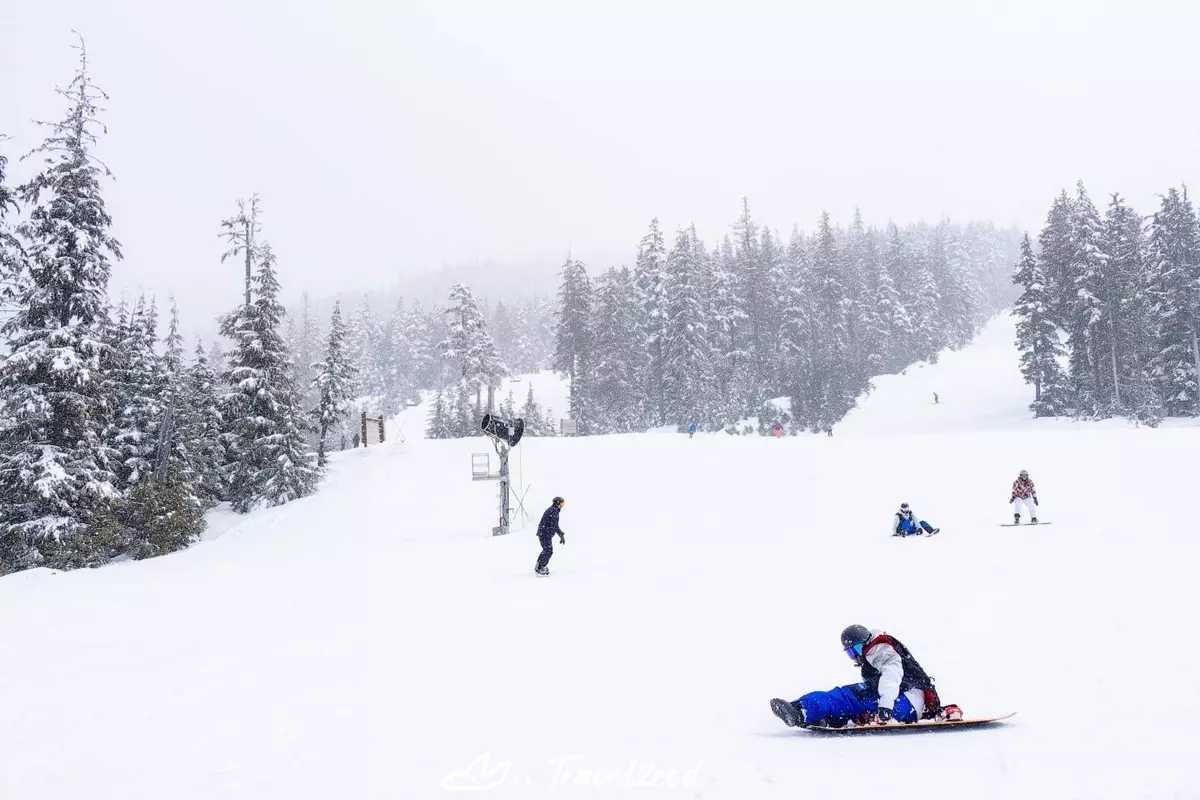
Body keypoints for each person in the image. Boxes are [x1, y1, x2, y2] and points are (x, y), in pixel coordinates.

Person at [769, 625, 958, 728]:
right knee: (855, 704)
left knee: (845, 696)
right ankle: (824, 717)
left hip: (902, 700)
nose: (858, 655)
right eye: (851, 653)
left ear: (866, 642)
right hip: (907, 705)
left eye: (857, 649)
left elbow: (892, 673)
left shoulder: (878, 648)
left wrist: (885, 705)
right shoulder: (879, 650)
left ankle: (801, 710)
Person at [535, 496, 566, 576]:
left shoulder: (553, 510)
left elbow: (554, 525)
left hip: (544, 533)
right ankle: (540, 568)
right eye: (561, 504)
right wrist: (560, 534)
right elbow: (554, 525)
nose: (562, 506)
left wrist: (560, 533)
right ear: (557, 504)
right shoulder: (554, 511)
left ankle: (539, 566)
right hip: (544, 533)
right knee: (548, 550)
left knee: (547, 550)